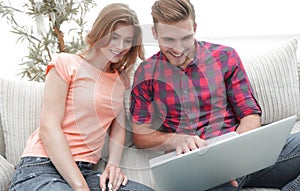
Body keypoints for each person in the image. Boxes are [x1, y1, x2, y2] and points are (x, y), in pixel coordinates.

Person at [130, 0, 300, 190]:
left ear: (194, 28)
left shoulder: (225, 57)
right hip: (198, 169)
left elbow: (250, 116)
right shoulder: (146, 74)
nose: (178, 49)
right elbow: (140, 136)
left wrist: (233, 160)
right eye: (169, 40)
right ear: (154, 33)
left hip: (242, 156)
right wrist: (175, 139)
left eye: (185, 38)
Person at [8, 3, 153, 191]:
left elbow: (118, 127)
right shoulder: (65, 63)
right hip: (42, 165)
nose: (120, 46)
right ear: (101, 31)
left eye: (127, 41)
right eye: (114, 37)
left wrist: (113, 165)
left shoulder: (120, 81)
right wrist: (80, 187)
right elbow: (48, 128)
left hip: (86, 170)